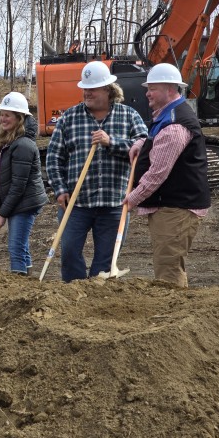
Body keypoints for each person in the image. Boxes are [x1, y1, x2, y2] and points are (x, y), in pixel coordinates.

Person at [46, 60, 148, 282]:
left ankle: (98, 295)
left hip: (114, 203)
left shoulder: (129, 116)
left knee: (105, 260)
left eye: (92, 88)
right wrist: (60, 189)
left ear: (108, 90)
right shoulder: (69, 118)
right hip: (76, 203)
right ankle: (73, 292)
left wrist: (112, 142)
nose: (87, 93)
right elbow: (53, 157)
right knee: (69, 253)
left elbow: (144, 149)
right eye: (85, 88)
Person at [124, 64, 210, 287]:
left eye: (152, 88)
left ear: (170, 89)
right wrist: (141, 144)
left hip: (176, 207)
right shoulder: (167, 116)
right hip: (171, 206)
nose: (147, 93)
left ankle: (174, 308)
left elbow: (157, 173)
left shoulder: (175, 125)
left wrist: (133, 198)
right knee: (166, 264)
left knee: (168, 271)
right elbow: (156, 141)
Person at [0, 92, 48, 275]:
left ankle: (18, 280)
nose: (3, 119)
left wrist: (3, 213)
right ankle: (28, 280)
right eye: (2, 114)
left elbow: (18, 185)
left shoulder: (23, 145)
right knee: (21, 245)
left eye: (7, 115)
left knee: (15, 246)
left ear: (19, 118)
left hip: (25, 202)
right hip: (20, 201)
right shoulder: (11, 141)